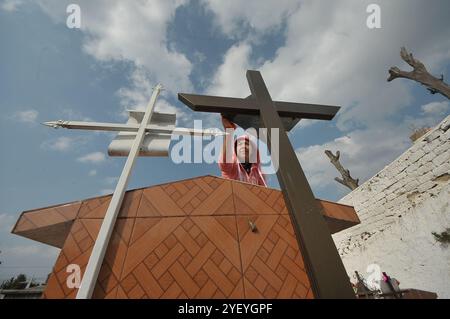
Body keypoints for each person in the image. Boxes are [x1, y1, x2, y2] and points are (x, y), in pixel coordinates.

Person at [218, 115, 267, 186]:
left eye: (247, 144)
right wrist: (229, 130)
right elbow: (225, 162)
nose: (243, 146)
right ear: (235, 151)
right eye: (240, 144)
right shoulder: (232, 168)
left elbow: (264, 192)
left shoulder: (259, 173)